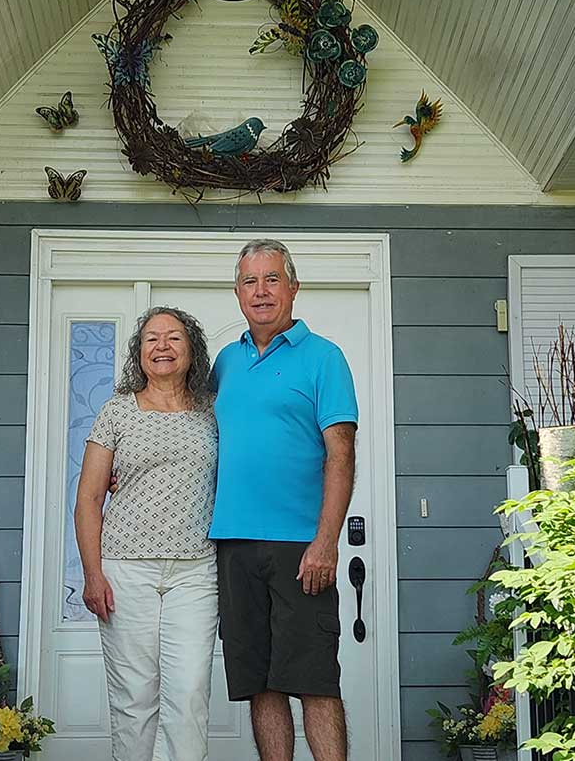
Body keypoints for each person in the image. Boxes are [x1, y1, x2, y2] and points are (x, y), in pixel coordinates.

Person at [211, 238, 358, 761]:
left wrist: (326, 542)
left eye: (272, 279)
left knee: (316, 681)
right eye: (250, 281)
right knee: (260, 683)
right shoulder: (224, 363)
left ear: (294, 288)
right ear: (237, 293)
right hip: (233, 546)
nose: (261, 291)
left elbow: (340, 456)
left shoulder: (324, 358)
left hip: (301, 547)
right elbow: (189, 433)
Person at [73, 306, 219, 761]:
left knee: (190, 692)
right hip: (124, 571)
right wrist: (93, 574)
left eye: (174, 338)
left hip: (195, 572)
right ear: (138, 353)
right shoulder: (117, 411)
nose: (162, 346)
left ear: (192, 351)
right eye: (151, 339)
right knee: (133, 699)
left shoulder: (214, 413)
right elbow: (89, 499)